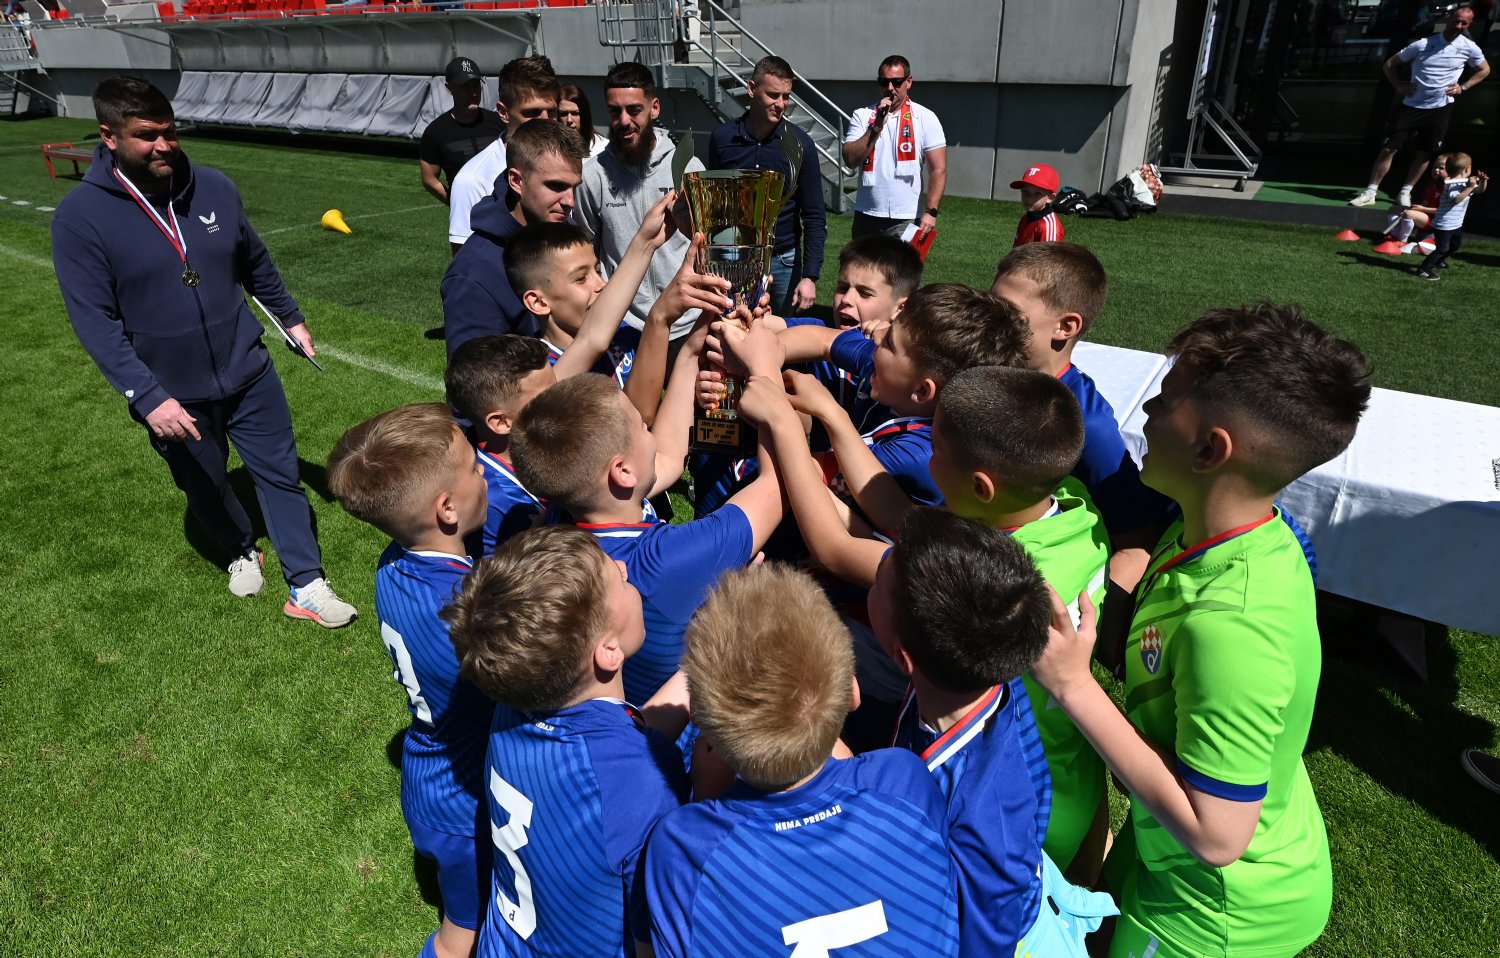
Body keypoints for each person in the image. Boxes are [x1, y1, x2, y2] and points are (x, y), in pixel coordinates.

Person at [1033, 303, 1371, 958]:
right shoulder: (1223, 531)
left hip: (1213, 913)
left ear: (1210, 450)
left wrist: (1073, 685)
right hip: (1163, 852)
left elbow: (1218, 837)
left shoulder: (1232, 628)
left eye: (1165, 400)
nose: (1147, 411)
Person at [52, 76, 356, 626]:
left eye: (170, 132)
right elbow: (94, 320)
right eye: (147, 136)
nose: (164, 146)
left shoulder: (212, 186)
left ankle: (307, 584)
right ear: (109, 136)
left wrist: (289, 316)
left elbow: (253, 260)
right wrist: (148, 396)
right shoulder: (80, 217)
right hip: (172, 392)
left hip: (247, 367)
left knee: (279, 474)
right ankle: (240, 548)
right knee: (205, 483)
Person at [644, 563, 964, 957]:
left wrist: (707, 799)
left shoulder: (681, 849)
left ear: (702, 722)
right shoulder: (903, 782)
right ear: (853, 694)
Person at [873, 509, 1118, 957]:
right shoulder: (979, 673)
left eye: (874, 586)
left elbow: (984, 940)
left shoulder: (984, 820)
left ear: (902, 656)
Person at [442, 525, 691, 957]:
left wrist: (702, 663)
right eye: (618, 580)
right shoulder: (643, 784)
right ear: (607, 651)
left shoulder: (514, 707)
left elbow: (615, 758)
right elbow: (652, 941)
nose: (623, 566)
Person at [510, 361, 784, 706]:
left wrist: (690, 353)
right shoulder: (664, 561)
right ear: (623, 471)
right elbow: (778, 484)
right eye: (642, 425)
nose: (649, 431)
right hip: (680, 726)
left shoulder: (563, 516)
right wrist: (764, 370)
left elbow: (668, 455)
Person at [326, 404, 493, 958]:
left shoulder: (395, 562)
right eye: (475, 467)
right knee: (461, 934)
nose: (486, 473)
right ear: (446, 508)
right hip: (462, 803)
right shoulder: (464, 616)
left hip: (430, 773)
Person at [576, 62, 705, 340]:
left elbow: (707, 243)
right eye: (615, 111)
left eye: (634, 110)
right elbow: (587, 249)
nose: (624, 121)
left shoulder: (689, 168)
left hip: (687, 320)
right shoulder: (592, 177)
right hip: (626, 325)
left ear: (654, 108)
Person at [708, 55, 827, 316]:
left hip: (784, 260)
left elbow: (814, 215)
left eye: (786, 97)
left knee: (783, 333)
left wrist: (810, 276)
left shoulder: (800, 145)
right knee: (734, 328)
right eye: (773, 95)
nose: (781, 104)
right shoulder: (722, 139)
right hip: (735, 259)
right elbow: (713, 208)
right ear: (752, 89)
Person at [1348, 4, 1489, 208]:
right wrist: (1399, 85)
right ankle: (1371, 192)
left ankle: (1406, 191)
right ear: (1449, 19)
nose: (1459, 26)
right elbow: (1390, 64)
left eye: (1464, 23)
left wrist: (1463, 87)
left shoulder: (1469, 47)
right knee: (1389, 149)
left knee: (1424, 152)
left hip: (1440, 108)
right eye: (1456, 21)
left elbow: (1484, 70)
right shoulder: (1423, 44)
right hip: (1411, 106)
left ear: (1469, 24)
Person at [447, 55, 561, 251]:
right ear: (503, 112)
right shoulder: (472, 181)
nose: (545, 122)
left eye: (551, 112)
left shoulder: (569, 164)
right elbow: (466, 262)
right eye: (532, 113)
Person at [841, 54, 947, 241]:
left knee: (903, 263)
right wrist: (876, 126)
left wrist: (931, 212)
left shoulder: (925, 117)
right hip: (867, 214)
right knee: (862, 262)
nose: (890, 88)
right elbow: (850, 160)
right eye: (884, 82)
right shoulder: (862, 115)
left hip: (907, 217)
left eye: (896, 82)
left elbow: (938, 169)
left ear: (909, 81)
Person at [418, 57, 504, 206]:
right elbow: (429, 178)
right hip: (466, 216)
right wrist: (456, 202)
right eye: (465, 86)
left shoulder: (499, 122)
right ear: (449, 87)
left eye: (476, 85)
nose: (473, 92)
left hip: (502, 209)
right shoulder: (435, 132)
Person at [1415, 152, 1488, 280]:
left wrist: (1482, 181)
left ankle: (1438, 260)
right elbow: (1456, 200)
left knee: (1455, 245)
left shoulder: (1465, 183)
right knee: (1442, 248)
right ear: (1466, 169)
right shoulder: (1451, 184)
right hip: (1444, 224)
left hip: (1456, 223)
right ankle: (1423, 269)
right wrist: (1470, 187)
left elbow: (1480, 190)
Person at [1011, 162, 1065, 247]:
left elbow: (1049, 256)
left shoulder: (1048, 226)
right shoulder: (1025, 219)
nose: (1029, 198)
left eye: (1037, 193)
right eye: (1025, 191)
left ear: (1050, 197)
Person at [559, 83, 608, 159]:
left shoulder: (603, 149)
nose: (569, 120)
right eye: (563, 114)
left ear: (584, 114)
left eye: (575, 113)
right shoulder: (549, 149)